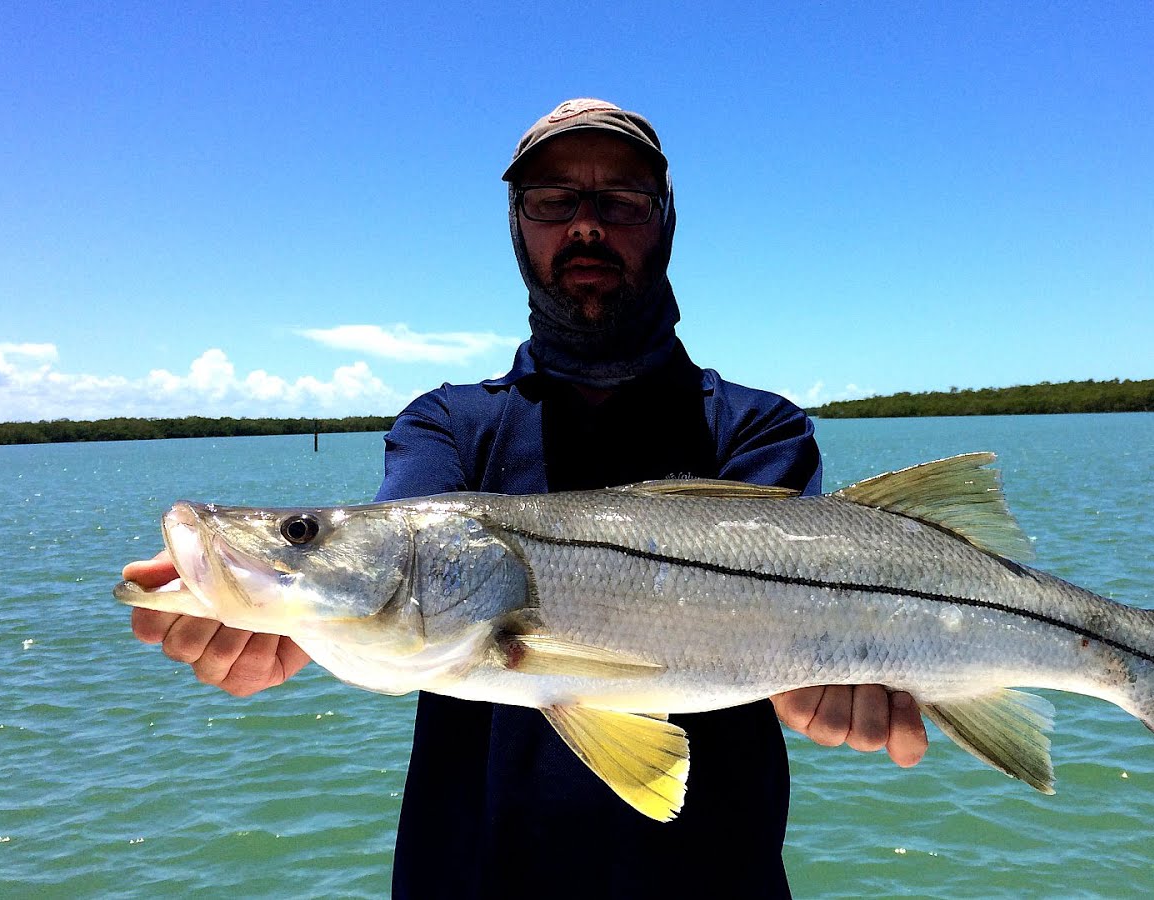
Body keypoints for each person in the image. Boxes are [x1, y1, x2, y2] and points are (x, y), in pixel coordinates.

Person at [125, 98, 928, 897]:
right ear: (517, 223)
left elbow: (798, 628)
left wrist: (830, 680)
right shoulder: (446, 425)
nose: (587, 225)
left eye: (622, 201)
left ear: (667, 223)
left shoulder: (758, 429)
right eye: (552, 200)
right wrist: (287, 616)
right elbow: (401, 555)